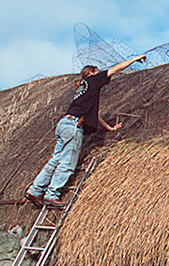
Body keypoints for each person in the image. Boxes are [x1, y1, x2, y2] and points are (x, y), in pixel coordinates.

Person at [26, 54, 146, 208]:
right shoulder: (92, 80)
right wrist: (135, 59)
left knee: (55, 159)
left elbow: (92, 114)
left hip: (64, 124)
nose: (100, 74)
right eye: (97, 71)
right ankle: (51, 195)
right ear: (91, 73)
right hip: (74, 126)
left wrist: (110, 128)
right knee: (68, 162)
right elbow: (116, 69)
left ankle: (34, 190)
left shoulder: (82, 88)